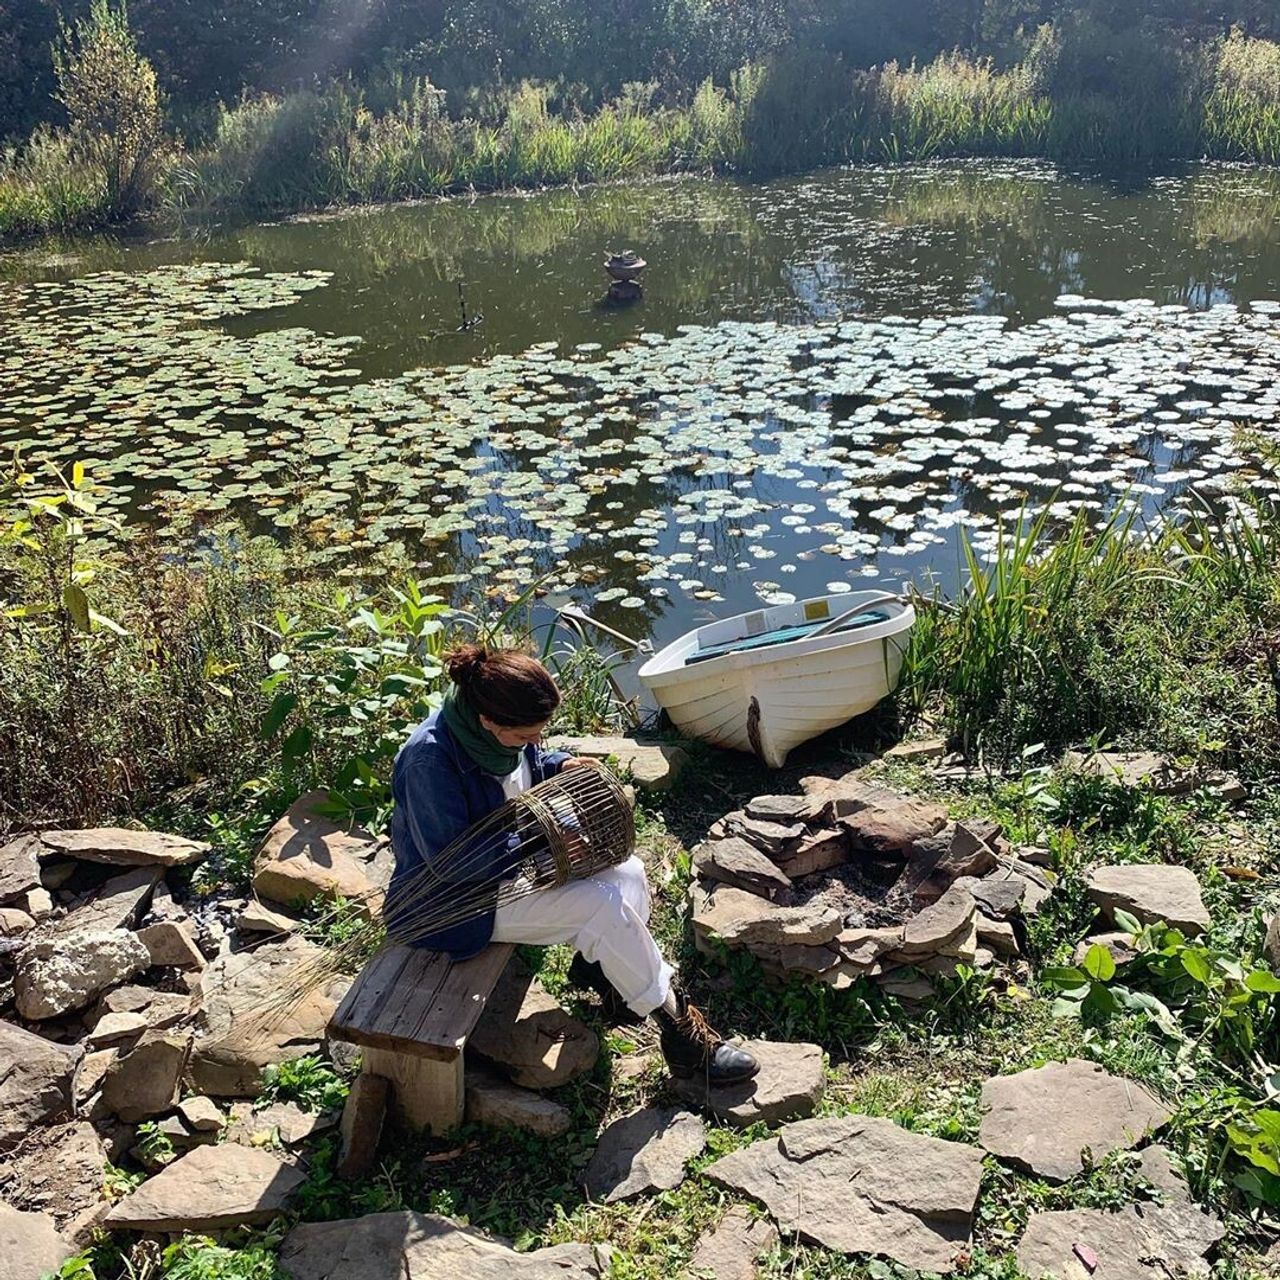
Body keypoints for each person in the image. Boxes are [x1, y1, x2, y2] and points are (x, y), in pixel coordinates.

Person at [386, 643, 758, 1087]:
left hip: (507, 872)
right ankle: (683, 1038)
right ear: (488, 720)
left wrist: (558, 764)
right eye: (527, 736)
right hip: (452, 904)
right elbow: (454, 863)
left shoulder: (493, 732)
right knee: (598, 906)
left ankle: (607, 974)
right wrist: (540, 839)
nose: (535, 742)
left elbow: (526, 768)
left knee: (631, 873)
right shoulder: (429, 761)